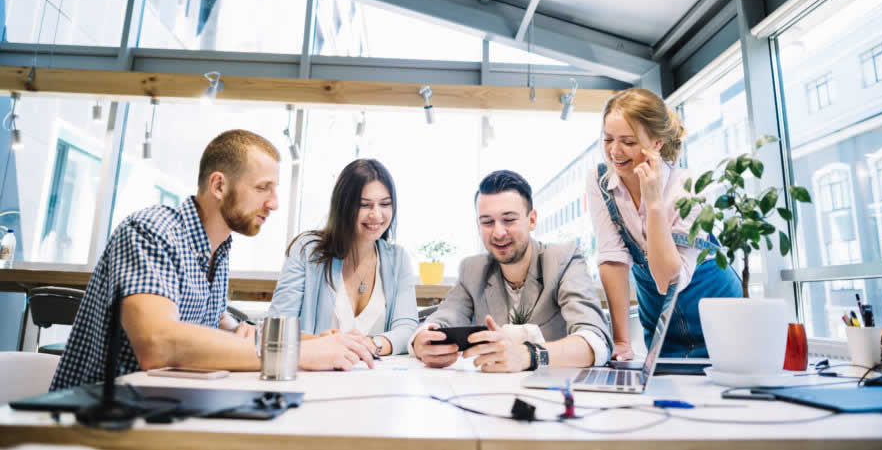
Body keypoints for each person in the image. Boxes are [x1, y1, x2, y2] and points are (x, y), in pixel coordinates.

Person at [51, 130, 373, 391]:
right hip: (94, 422)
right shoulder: (152, 231)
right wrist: (296, 353)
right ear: (219, 185)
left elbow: (231, 333)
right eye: (263, 188)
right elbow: (158, 344)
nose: (274, 203)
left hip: (158, 408)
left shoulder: (217, 248)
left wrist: (319, 342)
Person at [586, 88, 741, 360]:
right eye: (608, 139)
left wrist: (654, 203)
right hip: (661, 325)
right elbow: (612, 259)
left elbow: (667, 280)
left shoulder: (689, 189)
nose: (614, 151)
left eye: (628, 142)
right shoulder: (601, 182)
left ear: (657, 143)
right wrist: (621, 342)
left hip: (719, 317)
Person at [411, 170, 612, 372]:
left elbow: (596, 341)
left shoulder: (564, 260)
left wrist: (528, 355)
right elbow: (443, 318)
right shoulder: (473, 270)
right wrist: (422, 341)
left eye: (509, 220)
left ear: (532, 220)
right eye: (487, 222)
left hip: (555, 391)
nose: (498, 233)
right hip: (490, 392)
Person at [268, 159, 417, 357]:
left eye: (385, 204)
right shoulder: (307, 251)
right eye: (364, 205)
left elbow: (407, 328)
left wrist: (373, 345)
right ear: (343, 206)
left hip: (375, 377)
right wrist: (323, 344)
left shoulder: (398, 259)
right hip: (315, 375)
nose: (376, 214)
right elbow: (278, 326)